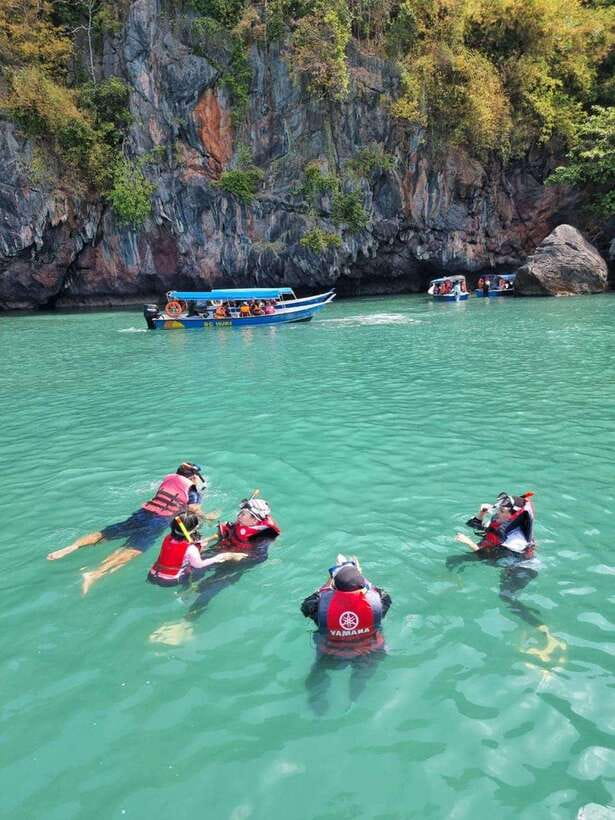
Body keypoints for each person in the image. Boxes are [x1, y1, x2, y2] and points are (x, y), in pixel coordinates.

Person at [47, 462, 210, 595]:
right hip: (159, 521)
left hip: (144, 512)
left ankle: (72, 547)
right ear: (194, 476)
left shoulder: (169, 480)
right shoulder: (192, 489)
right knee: (133, 549)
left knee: (107, 533)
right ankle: (95, 573)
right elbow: (194, 509)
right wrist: (207, 516)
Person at [301, 555, 391, 713]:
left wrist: (331, 579)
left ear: (334, 586)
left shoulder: (318, 605)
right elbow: (374, 590)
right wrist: (357, 571)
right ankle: (355, 703)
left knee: (318, 673)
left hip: (331, 652)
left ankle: (318, 708)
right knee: (361, 680)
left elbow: (305, 606)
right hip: (369, 650)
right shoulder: (380, 600)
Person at [448, 492, 541, 626]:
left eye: (502, 511)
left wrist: (469, 543)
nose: (497, 513)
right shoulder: (502, 520)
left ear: (512, 516)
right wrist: (481, 513)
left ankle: (541, 628)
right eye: (498, 509)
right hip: (503, 559)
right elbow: (474, 525)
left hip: (523, 568)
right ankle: (454, 581)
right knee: (454, 559)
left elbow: (487, 558)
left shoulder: (516, 540)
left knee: (505, 597)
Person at [147, 513, 245, 587]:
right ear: (193, 529)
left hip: (152, 575)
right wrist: (222, 556)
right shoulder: (191, 548)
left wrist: (208, 540)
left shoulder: (168, 538)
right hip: (170, 581)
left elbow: (181, 549)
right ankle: (187, 591)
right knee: (197, 571)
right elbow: (198, 565)